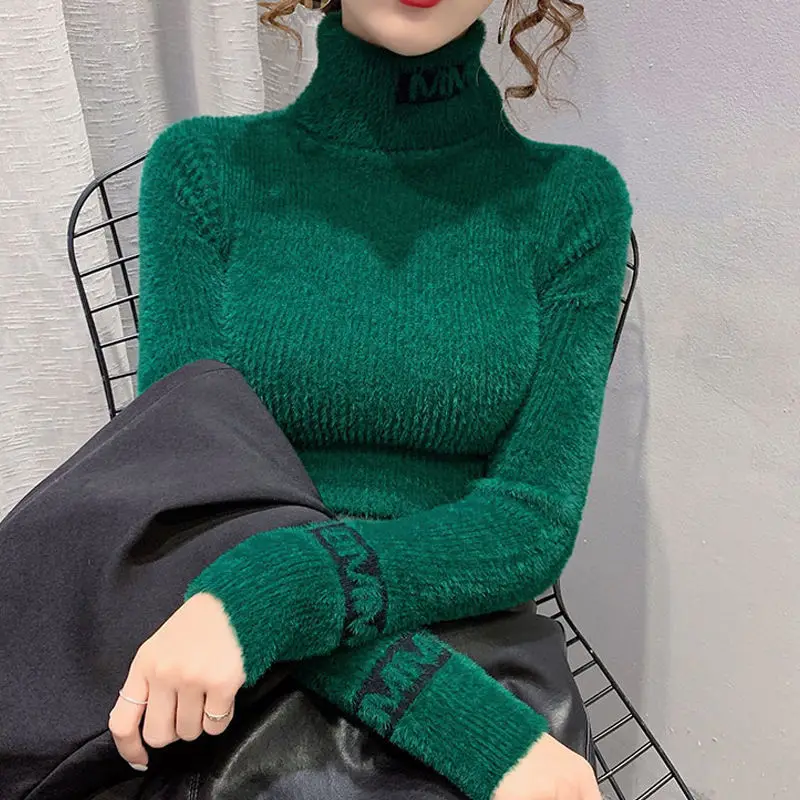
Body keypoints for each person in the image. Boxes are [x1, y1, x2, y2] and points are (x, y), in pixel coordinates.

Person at [109, 1, 633, 799]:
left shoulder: (573, 200)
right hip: (222, 637)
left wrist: (283, 591)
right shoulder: (204, 171)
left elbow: (532, 517)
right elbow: (185, 486)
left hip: (460, 626)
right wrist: (477, 737)